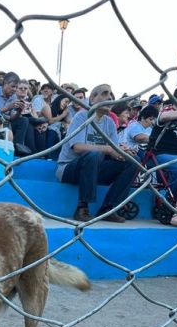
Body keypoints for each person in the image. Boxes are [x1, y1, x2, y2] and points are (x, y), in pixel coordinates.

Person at [55, 84, 138, 223]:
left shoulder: (110, 123)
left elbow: (113, 151)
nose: (109, 97)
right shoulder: (81, 116)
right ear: (92, 98)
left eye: (111, 95)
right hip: (69, 168)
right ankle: (82, 207)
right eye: (105, 93)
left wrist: (123, 152)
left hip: (94, 169)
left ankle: (108, 208)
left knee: (131, 162)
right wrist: (109, 149)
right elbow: (77, 147)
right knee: (94, 154)